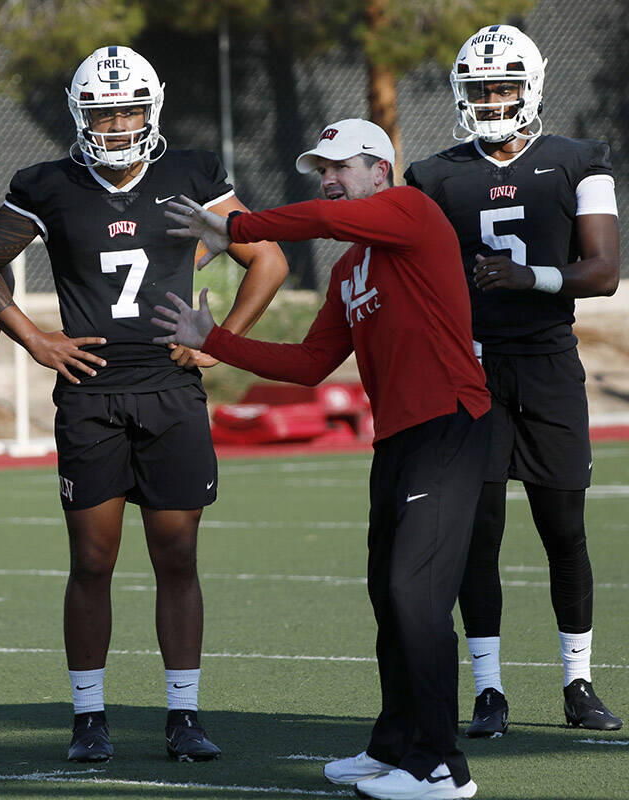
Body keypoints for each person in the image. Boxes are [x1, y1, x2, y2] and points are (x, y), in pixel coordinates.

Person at [0, 45, 289, 763]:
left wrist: (219, 342)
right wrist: (35, 341)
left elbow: (269, 257)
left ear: (152, 109)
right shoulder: (47, 184)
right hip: (91, 395)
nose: (116, 124)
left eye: (129, 108)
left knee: (177, 555)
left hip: (170, 390)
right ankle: (88, 719)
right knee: (93, 560)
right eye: (103, 111)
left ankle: (184, 716)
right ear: (80, 115)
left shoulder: (191, 173)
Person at [153, 119, 491, 800]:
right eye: (323, 170)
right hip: (397, 439)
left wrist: (239, 228)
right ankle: (394, 746)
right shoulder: (350, 267)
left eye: (343, 166)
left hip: (450, 425)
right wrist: (214, 340)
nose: (330, 179)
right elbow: (310, 364)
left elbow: (314, 220)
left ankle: (441, 767)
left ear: (381, 172)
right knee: (387, 597)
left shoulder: (411, 210)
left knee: (414, 593)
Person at [405, 24, 622, 737]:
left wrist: (531, 276)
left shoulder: (577, 160)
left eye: (502, 87)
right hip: (474, 372)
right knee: (480, 534)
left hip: (549, 364)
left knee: (564, 529)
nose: (492, 100)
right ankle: (490, 690)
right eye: (480, 90)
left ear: (530, 87)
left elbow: (604, 270)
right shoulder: (435, 175)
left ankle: (579, 680)